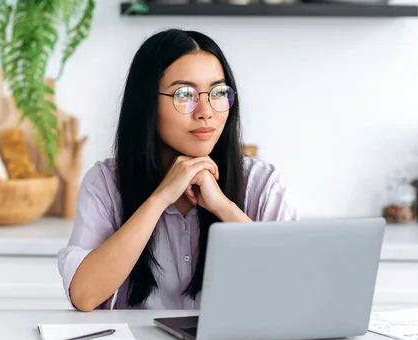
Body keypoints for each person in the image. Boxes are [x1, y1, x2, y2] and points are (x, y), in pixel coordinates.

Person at [57, 28, 298, 312]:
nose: (205, 110)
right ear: (147, 102)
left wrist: (223, 206)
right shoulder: (105, 183)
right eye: (184, 94)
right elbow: (85, 295)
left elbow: (293, 290)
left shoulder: (262, 183)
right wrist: (159, 199)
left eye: (218, 92)